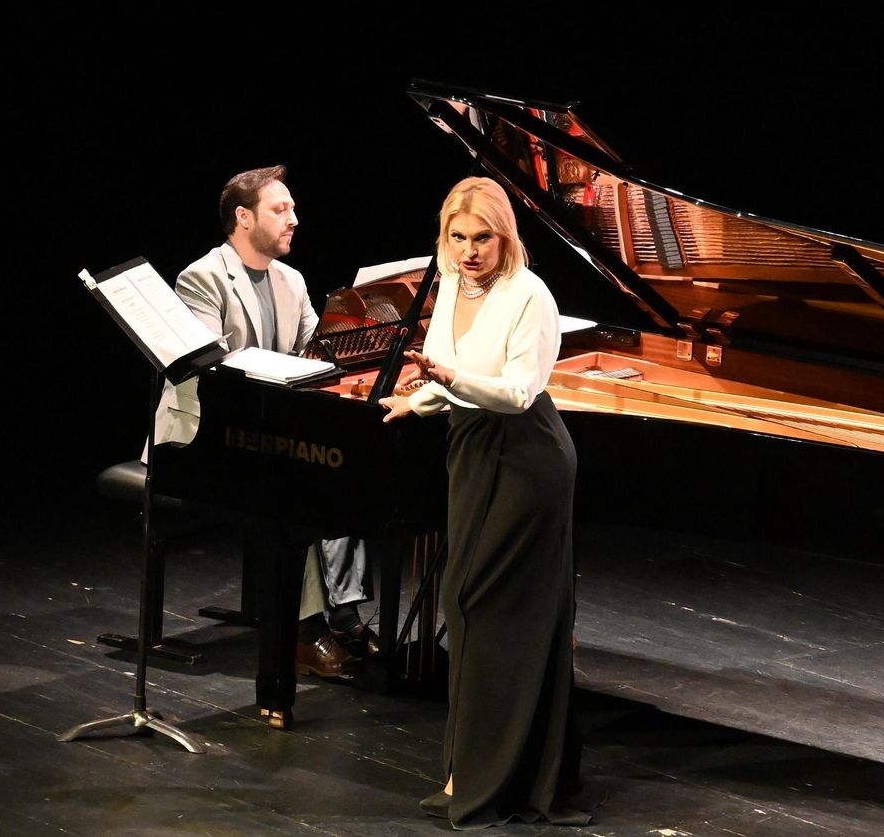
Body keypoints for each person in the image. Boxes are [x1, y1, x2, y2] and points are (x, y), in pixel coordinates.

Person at [379, 176, 589, 828]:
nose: (469, 250)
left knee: (488, 607)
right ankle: (468, 769)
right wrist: (417, 400)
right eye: (458, 237)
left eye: (482, 238)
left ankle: (497, 778)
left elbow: (518, 392)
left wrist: (447, 380)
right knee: (464, 605)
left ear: (505, 238)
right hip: (471, 450)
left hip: (527, 459)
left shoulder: (530, 295)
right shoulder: (450, 284)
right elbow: (447, 370)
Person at [151, 164, 378, 678]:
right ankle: (305, 633)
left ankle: (343, 617)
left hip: (266, 429)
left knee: (347, 477)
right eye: (281, 209)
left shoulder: (292, 281)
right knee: (295, 492)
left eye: (293, 208)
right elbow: (207, 370)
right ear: (243, 217)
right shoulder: (203, 277)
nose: (294, 219)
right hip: (202, 433)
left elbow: (315, 356)